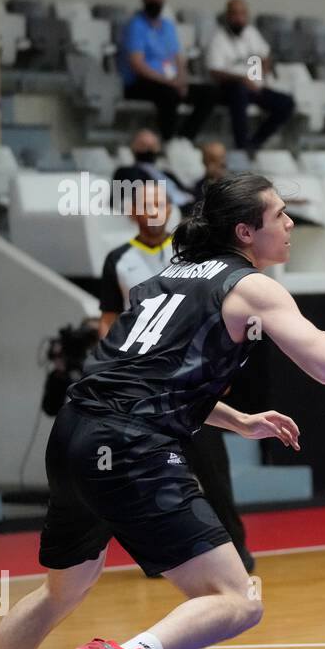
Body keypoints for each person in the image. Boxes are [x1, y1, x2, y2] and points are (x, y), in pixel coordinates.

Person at [0, 173, 325, 649]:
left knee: (60, 592)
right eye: (279, 215)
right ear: (246, 231)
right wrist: (316, 330)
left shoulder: (159, 282)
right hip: (131, 448)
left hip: (75, 434)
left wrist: (241, 421)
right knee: (239, 599)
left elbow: (144, 379)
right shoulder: (253, 287)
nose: (290, 224)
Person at [97, 181, 256, 575]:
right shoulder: (118, 259)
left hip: (192, 381)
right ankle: (161, 559)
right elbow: (109, 320)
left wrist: (219, 368)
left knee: (213, 474)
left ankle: (237, 551)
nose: (155, 210)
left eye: (161, 203)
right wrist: (113, 366)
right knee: (147, 477)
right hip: (142, 388)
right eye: (147, 204)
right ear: (133, 213)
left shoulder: (193, 253)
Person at [120, 0, 217, 142]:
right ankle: (169, 140)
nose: (155, 1)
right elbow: (137, 64)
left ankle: (185, 139)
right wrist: (168, 82)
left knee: (210, 93)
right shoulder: (136, 25)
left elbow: (178, 57)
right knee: (168, 94)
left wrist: (182, 80)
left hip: (169, 81)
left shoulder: (168, 26)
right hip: (142, 82)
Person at [205, 0, 297, 152]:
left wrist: (261, 74)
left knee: (287, 103)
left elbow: (265, 55)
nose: (239, 18)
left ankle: (255, 143)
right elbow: (215, 72)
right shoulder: (218, 39)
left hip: (253, 86)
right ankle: (241, 145)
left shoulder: (251, 33)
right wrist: (242, 79)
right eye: (235, 14)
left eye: (242, 14)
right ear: (228, 16)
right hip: (229, 88)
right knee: (239, 92)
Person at [114, 128, 196, 216]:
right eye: (143, 145)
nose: (147, 149)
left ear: (158, 147)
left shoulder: (167, 173)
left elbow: (187, 191)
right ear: (133, 147)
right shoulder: (127, 172)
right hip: (168, 213)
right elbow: (122, 201)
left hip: (191, 209)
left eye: (152, 146)